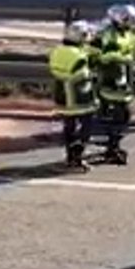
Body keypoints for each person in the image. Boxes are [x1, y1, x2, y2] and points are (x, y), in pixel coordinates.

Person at [91, 3, 135, 165]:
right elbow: (105, 57)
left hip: (123, 77)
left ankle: (112, 145)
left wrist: (132, 69)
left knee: (121, 116)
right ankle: (111, 147)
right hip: (111, 78)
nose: (131, 22)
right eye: (128, 19)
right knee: (116, 115)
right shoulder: (108, 34)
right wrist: (124, 60)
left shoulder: (126, 33)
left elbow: (131, 52)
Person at [49, 19, 99, 171]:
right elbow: (84, 73)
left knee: (69, 126)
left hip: (62, 94)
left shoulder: (58, 50)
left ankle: (70, 157)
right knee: (86, 126)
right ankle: (77, 156)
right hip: (78, 96)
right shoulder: (78, 55)